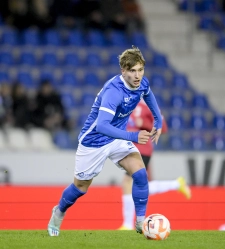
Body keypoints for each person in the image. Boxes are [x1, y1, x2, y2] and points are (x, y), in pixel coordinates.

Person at [47, 46, 163, 236]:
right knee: (80, 188)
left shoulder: (141, 82)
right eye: (132, 71)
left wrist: (158, 120)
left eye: (140, 69)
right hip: (94, 142)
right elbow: (102, 126)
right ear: (123, 71)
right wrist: (133, 136)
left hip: (116, 138)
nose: (137, 75)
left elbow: (148, 93)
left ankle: (141, 223)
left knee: (141, 174)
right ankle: (58, 212)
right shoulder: (113, 92)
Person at [118, 100, 191, 230]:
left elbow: (163, 127)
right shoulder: (128, 102)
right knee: (138, 185)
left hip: (142, 149)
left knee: (128, 182)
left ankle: (127, 224)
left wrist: (144, 124)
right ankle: (177, 184)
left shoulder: (150, 105)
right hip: (130, 147)